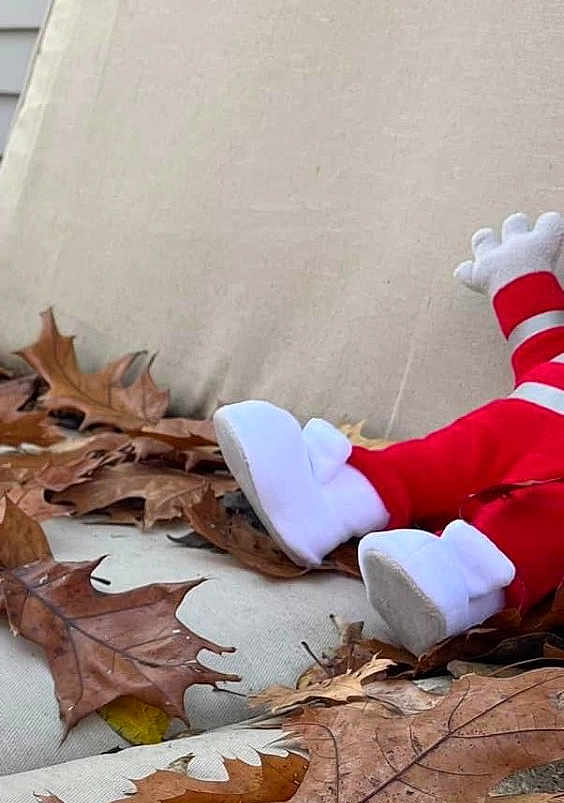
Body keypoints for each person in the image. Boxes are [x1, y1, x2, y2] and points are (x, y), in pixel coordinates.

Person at [215, 211, 564, 653]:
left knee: (540, 518)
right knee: (424, 463)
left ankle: (462, 586)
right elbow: (541, 344)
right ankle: (325, 503)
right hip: (510, 424)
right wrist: (519, 271)